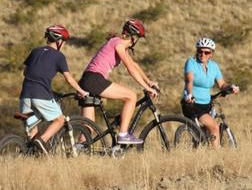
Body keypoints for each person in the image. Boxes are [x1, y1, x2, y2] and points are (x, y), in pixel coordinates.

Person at [78, 19, 158, 145]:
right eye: (137, 38)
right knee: (131, 96)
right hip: (94, 79)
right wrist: (146, 87)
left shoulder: (117, 43)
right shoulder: (119, 44)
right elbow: (130, 69)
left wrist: (148, 82)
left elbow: (134, 65)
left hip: (85, 81)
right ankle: (123, 134)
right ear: (133, 37)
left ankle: (78, 150)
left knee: (88, 127)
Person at [19, 25, 89, 154]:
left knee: (33, 130)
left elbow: (25, 72)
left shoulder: (35, 51)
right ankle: (43, 140)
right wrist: (81, 91)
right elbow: (68, 78)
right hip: (41, 94)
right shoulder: (59, 56)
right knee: (60, 119)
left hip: (24, 95)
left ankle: (33, 154)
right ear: (59, 41)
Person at [181, 37, 239, 148]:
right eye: (200, 51)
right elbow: (189, 81)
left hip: (206, 104)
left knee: (203, 134)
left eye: (206, 52)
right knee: (214, 127)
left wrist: (231, 87)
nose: (202, 54)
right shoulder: (191, 63)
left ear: (211, 54)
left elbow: (222, 85)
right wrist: (189, 94)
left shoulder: (214, 67)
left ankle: (197, 153)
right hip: (192, 104)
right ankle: (216, 155)